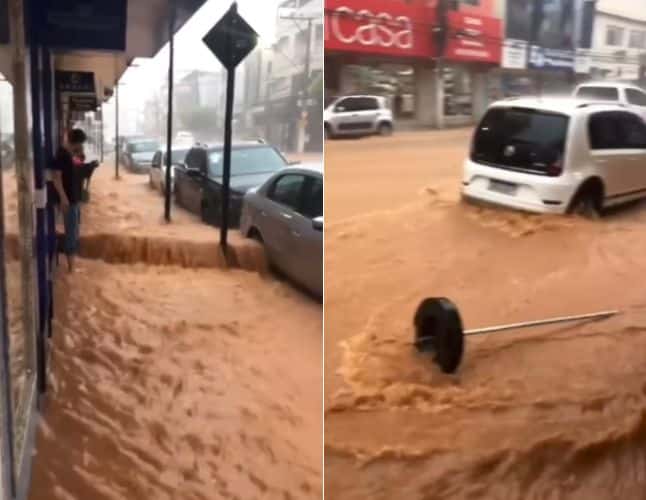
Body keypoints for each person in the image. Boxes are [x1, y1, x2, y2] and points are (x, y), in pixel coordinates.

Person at [51, 128, 87, 272]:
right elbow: (56, 177)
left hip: (73, 200)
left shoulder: (66, 154)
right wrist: (63, 198)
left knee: (74, 230)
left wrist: (77, 154)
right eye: (80, 144)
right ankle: (71, 269)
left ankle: (72, 266)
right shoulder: (62, 155)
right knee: (71, 233)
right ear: (76, 142)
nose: (81, 147)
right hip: (69, 201)